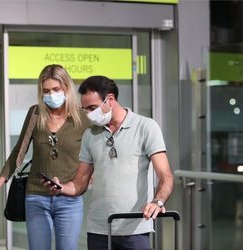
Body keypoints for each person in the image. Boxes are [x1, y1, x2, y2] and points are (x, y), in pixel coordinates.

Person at [47, 75, 174, 250]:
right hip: (99, 229)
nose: (89, 114)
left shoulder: (146, 127)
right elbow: (79, 183)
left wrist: (158, 201)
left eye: (92, 108)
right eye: (85, 110)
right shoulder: (90, 135)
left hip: (134, 228)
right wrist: (60, 187)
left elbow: (165, 176)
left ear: (110, 99)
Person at [0, 64, 90, 250]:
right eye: (46, 91)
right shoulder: (36, 114)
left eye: (56, 89)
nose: (51, 95)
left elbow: (95, 155)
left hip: (69, 199)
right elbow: (18, 152)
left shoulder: (83, 118)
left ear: (67, 88)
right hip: (36, 196)